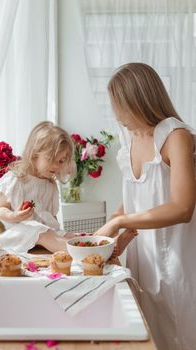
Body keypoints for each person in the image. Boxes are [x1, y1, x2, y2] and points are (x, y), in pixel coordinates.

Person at [94, 63, 196, 350]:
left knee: (181, 335)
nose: (117, 116)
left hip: (179, 262)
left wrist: (120, 222)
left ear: (139, 100)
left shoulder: (176, 136)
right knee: (151, 338)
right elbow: (133, 200)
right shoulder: (129, 143)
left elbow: (182, 208)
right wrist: (109, 237)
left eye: (120, 106)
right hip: (144, 264)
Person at [0, 121, 76, 254]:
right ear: (34, 155)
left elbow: (51, 216)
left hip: (39, 234)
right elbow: (0, 209)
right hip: (14, 232)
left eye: (61, 161)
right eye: (50, 159)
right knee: (40, 232)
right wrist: (14, 215)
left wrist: (59, 233)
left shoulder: (50, 185)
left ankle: (86, 246)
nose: (57, 166)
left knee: (67, 236)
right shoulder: (16, 179)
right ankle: (80, 252)